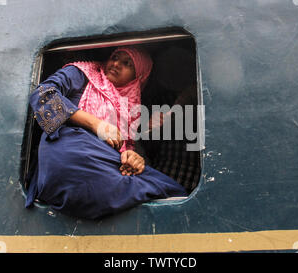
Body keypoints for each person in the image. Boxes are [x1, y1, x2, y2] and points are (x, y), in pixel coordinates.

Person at [25, 46, 187, 220]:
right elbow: (42, 95)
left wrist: (132, 158)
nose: (116, 64)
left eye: (127, 64)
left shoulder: (132, 109)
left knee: (172, 190)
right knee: (168, 191)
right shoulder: (81, 74)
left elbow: (121, 148)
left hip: (101, 163)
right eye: (115, 57)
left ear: (138, 77)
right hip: (71, 158)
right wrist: (96, 124)